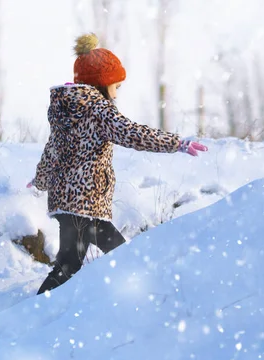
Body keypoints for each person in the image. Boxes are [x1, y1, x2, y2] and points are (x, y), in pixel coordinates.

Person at [28, 33, 208, 295]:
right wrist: (176, 143)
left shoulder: (65, 110)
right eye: (116, 85)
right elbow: (133, 133)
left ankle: (42, 309)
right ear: (101, 84)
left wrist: (40, 180)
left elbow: (52, 151)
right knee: (123, 257)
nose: (116, 92)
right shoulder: (99, 110)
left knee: (71, 264)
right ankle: (142, 298)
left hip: (64, 203)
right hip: (86, 203)